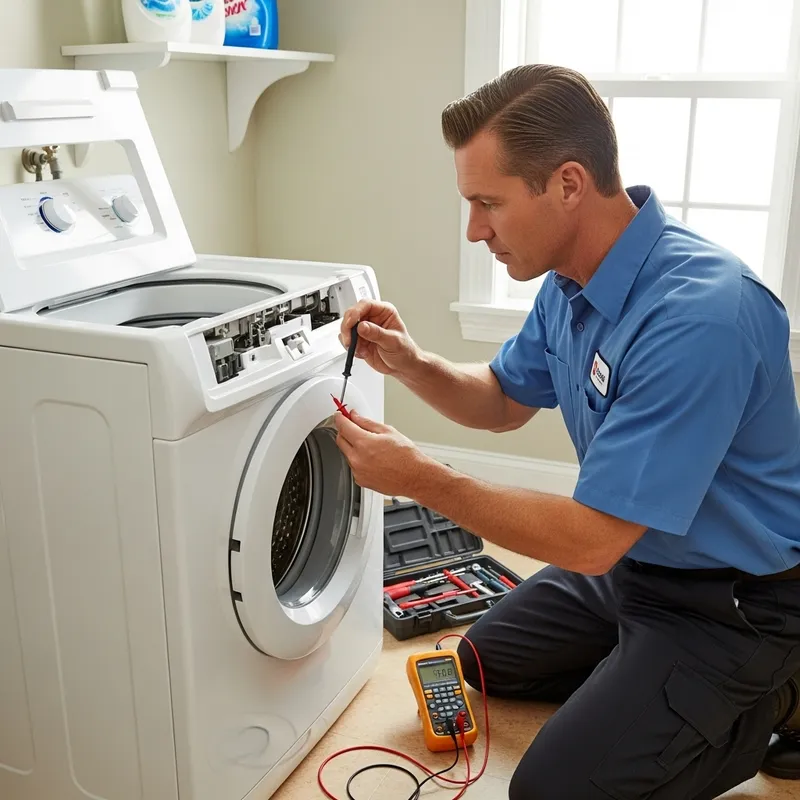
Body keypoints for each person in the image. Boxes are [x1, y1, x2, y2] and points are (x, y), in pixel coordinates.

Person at [332, 63, 800, 799]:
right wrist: (412, 363)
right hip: (638, 567)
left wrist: (423, 480)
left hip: (735, 603)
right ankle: (649, 678)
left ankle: (773, 697)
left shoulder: (700, 313)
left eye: (488, 203)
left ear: (569, 185)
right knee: (481, 662)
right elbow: (503, 400)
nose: (474, 229)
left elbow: (589, 538)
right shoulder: (570, 278)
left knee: (548, 791)